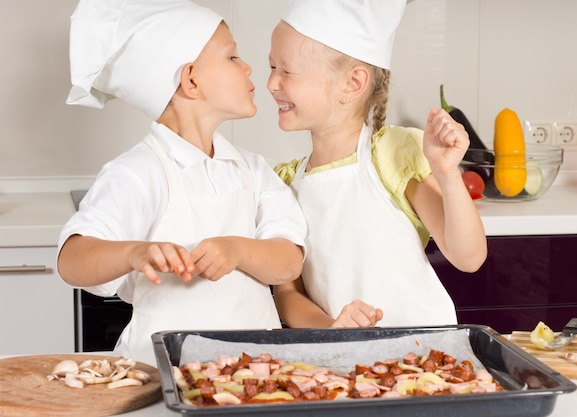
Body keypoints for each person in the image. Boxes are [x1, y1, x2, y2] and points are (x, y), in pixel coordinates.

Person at [57, 0, 306, 363]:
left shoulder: (252, 169)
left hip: (253, 370)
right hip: (161, 372)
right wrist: (133, 252)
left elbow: (289, 261)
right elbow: (72, 261)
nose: (249, 66)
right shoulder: (137, 172)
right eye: (232, 57)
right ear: (190, 80)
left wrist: (237, 250)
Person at [268, 0, 487, 329]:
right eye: (271, 67)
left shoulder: (393, 155)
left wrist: (446, 173)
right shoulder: (284, 182)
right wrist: (330, 330)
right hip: (346, 364)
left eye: (286, 70)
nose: (272, 82)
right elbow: (287, 294)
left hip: (427, 357)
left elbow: (468, 257)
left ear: (352, 84)